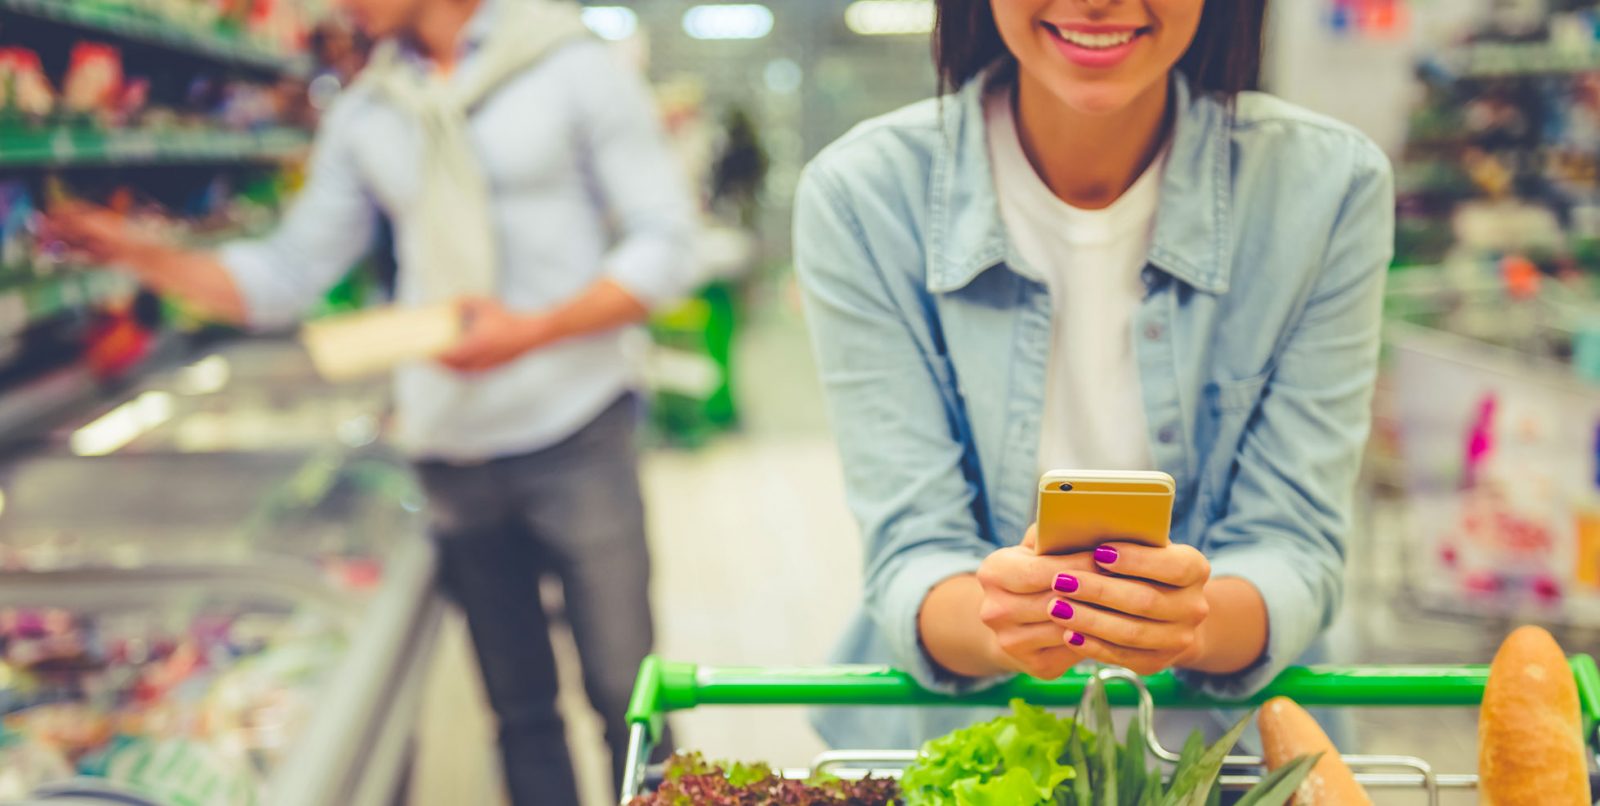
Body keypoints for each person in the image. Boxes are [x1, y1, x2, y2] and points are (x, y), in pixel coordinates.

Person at [47, 0, 696, 801]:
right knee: (520, 710)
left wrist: (532, 330)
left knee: (630, 695)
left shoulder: (571, 66)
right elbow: (288, 275)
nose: (338, 7)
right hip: (451, 446)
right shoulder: (369, 111)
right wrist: (145, 256)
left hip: (576, 423)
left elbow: (667, 243)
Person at [794, 0, 1392, 747]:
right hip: (965, 750)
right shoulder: (863, 195)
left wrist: (1191, 625)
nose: (1097, 3)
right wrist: (999, 620)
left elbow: (1294, 542)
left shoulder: (1327, 187)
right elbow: (913, 549)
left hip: (1233, 757)